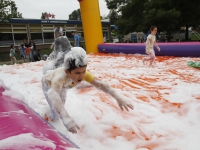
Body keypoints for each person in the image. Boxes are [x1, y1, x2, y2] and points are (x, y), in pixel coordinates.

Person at [41, 47, 134, 134]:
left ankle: (49, 110)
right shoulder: (60, 77)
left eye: (83, 71)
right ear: (67, 72)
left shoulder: (82, 75)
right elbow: (53, 94)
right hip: (48, 85)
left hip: (63, 86)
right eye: (77, 73)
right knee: (56, 110)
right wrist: (67, 119)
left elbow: (101, 84)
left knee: (61, 103)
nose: (81, 76)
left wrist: (118, 97)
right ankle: (51, 123)